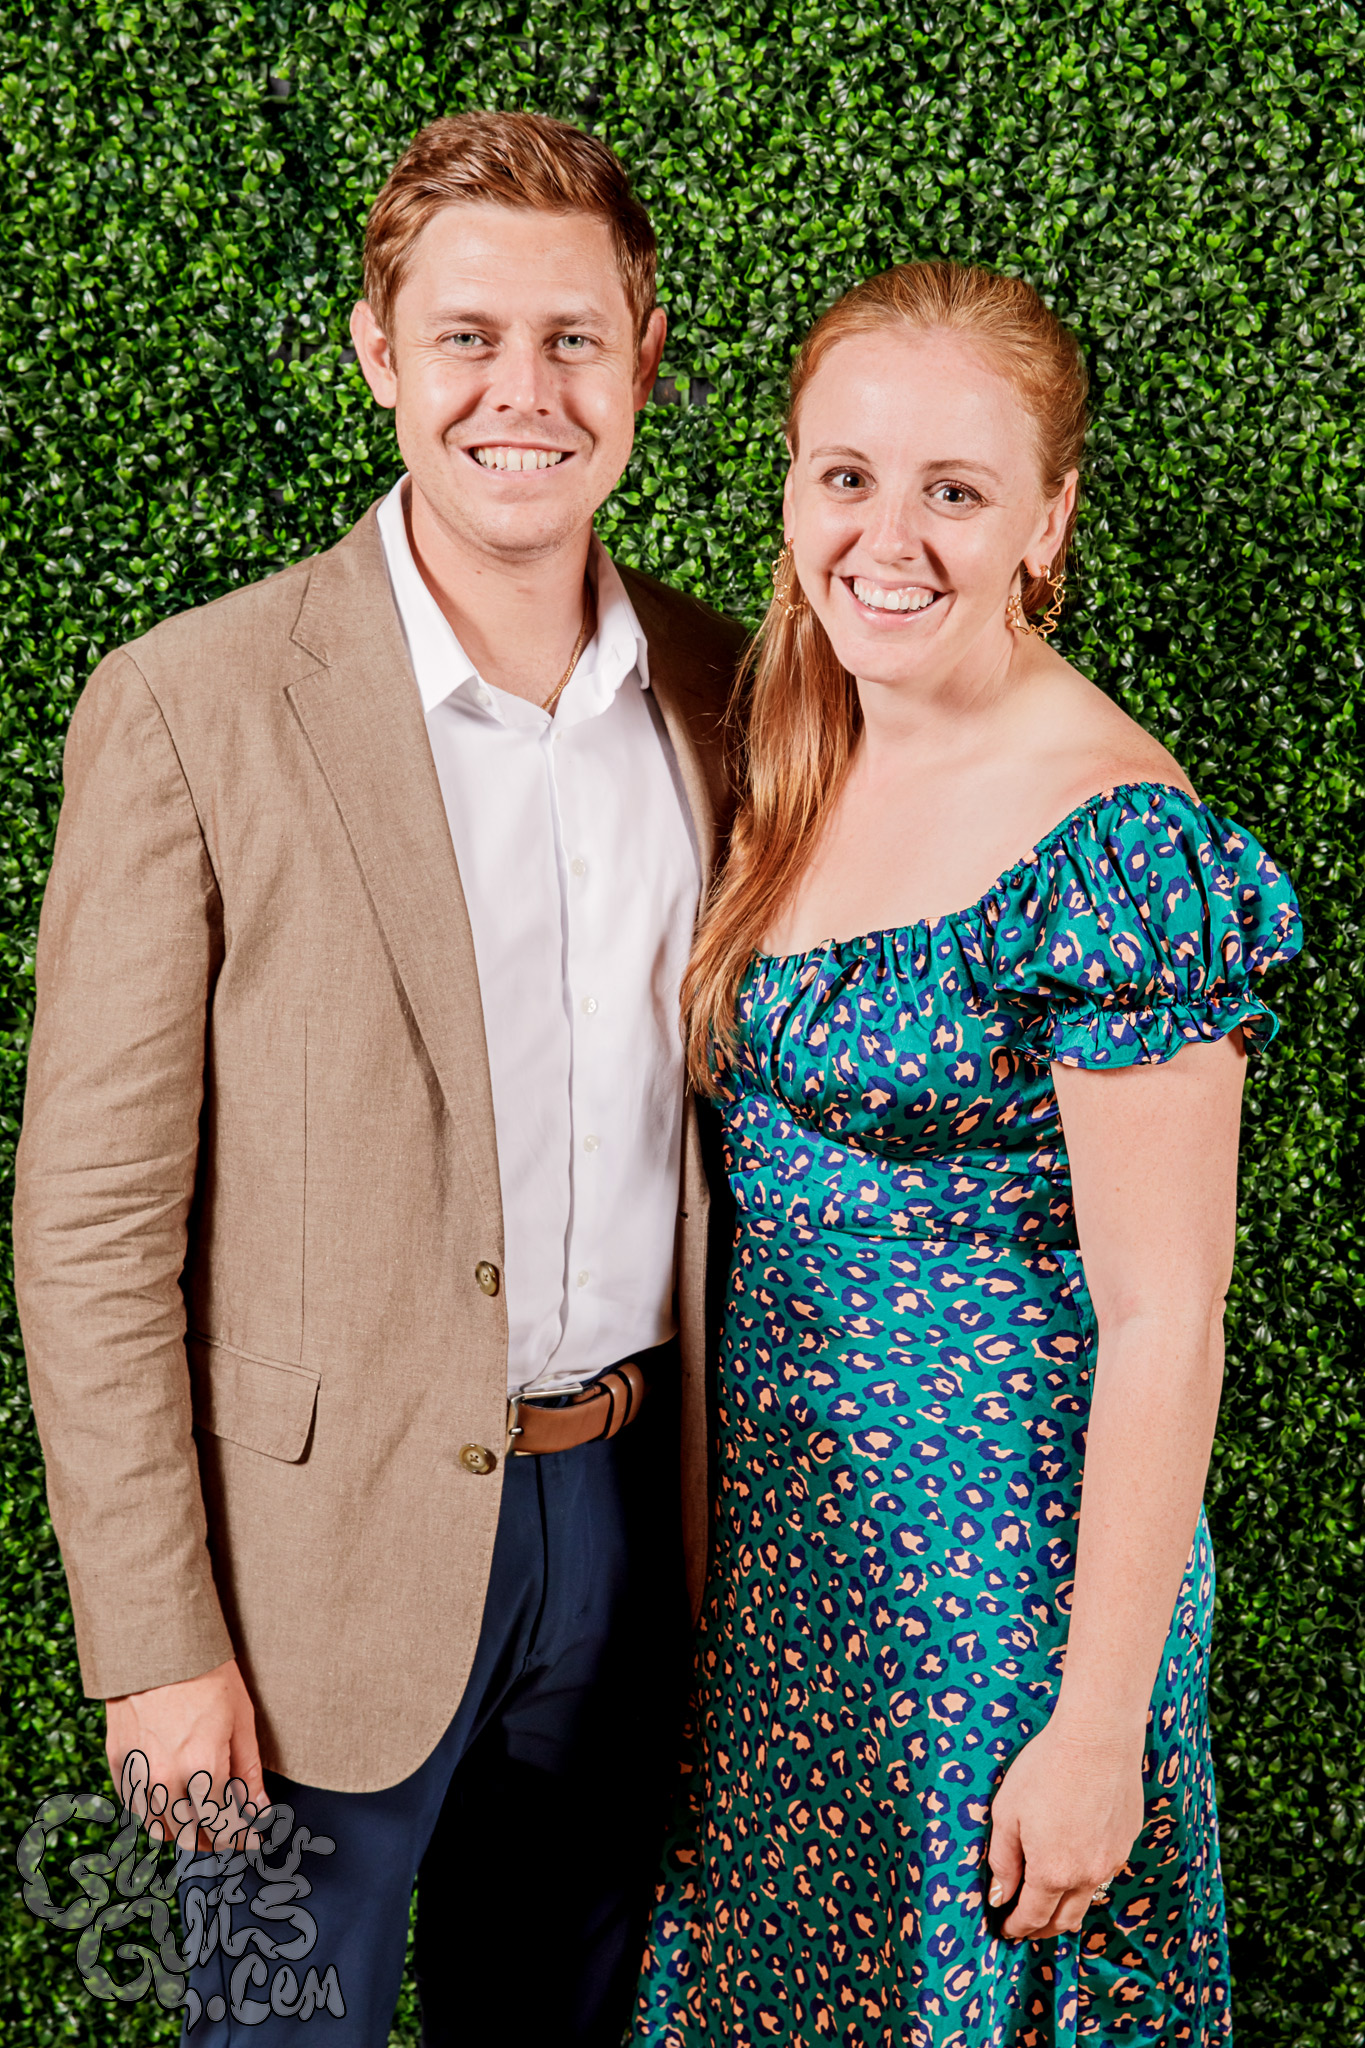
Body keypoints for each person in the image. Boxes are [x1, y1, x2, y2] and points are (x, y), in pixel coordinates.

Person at [13, 110, 743, 2047]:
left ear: (647, 352)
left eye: (572, 339)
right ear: (376, 354)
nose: (524, 392)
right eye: (466, 338)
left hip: (631, 1540)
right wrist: (155, 1646)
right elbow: (88, 1230)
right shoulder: (189, 705)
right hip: (298, 1582)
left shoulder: (729, 697)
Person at [634, 261, 1301, 2046]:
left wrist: (1095, 1728)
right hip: (790, 1574)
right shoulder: (800, 748)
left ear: (1044, 522)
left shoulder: (1113, 839)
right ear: (792, 488)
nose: (887, 538)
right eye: (846, 476)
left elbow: (1165, 1318)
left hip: (1001, 1596)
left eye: (953, 490)